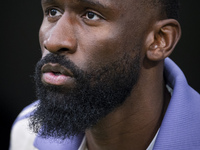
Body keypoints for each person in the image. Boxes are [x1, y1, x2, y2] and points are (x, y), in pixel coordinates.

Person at [9, 0, 200, 149]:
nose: (53, 41)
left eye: (91, 15)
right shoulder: (27, 133)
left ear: (159, 40)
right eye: (53, 12)